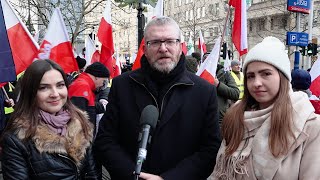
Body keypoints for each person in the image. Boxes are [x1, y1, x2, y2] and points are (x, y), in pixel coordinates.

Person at [94, 16, 221, 180]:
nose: (163, 48)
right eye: (155, 42)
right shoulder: (122, 85)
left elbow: (210, 149)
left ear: (180, 46)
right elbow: (105, 141)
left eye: (170, 41)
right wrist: (134, 175)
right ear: (145, 49)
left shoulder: (204, 92)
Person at [209, 36, 320, 180]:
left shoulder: (311, 125)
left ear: (283, 77)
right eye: (250, 76)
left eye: (266, 74)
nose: (256, 83)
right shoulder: (235, 116)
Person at [1, 59, 97, 179]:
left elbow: (91, 173)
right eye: (43, 88)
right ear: (31, 92)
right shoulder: (16, 139)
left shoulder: (80, 122)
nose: (55, 94)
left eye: (60, 85)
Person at [68, 62, 110, 133]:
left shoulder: (85, 85)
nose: (102, 84)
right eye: (103, 81)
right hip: (80, 138)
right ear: (97, 77)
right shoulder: (82, 86)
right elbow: (77, 117)